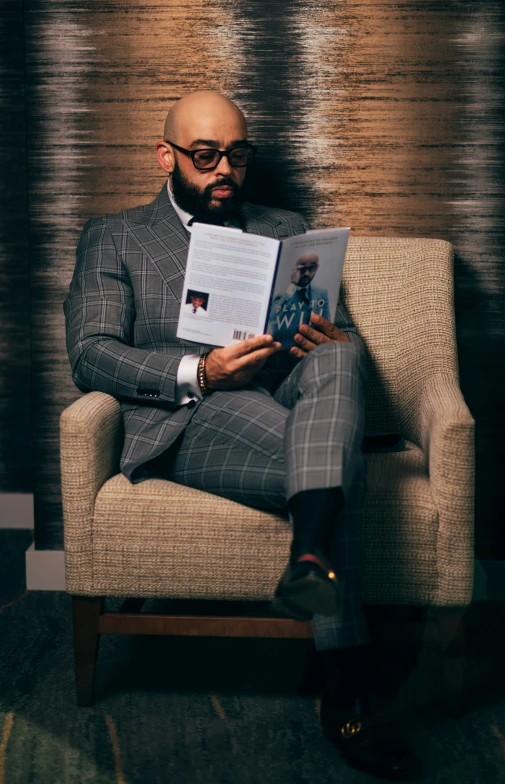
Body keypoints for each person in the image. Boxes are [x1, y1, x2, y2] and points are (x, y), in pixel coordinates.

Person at [64, 90, 421, 780]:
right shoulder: (114, 235)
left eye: (237, 154)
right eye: (205, 156)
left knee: (342, 353)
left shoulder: (285, 224)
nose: (223, 169)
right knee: (332, 458)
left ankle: (309, 557)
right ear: (167, 156)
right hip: (188, 416)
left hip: (288, 394)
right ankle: (346, 687)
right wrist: (199, 368)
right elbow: (90, 354)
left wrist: (322, 332)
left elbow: (330, 323)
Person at [267, 252, 330, 344]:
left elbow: (327, 323)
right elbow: (272, 319)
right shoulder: (282, 295)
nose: (307, 273)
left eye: (311, 268)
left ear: (317, 267)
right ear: (294, 270)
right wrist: (293, 284)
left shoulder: (321, 293)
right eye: (302, 269)